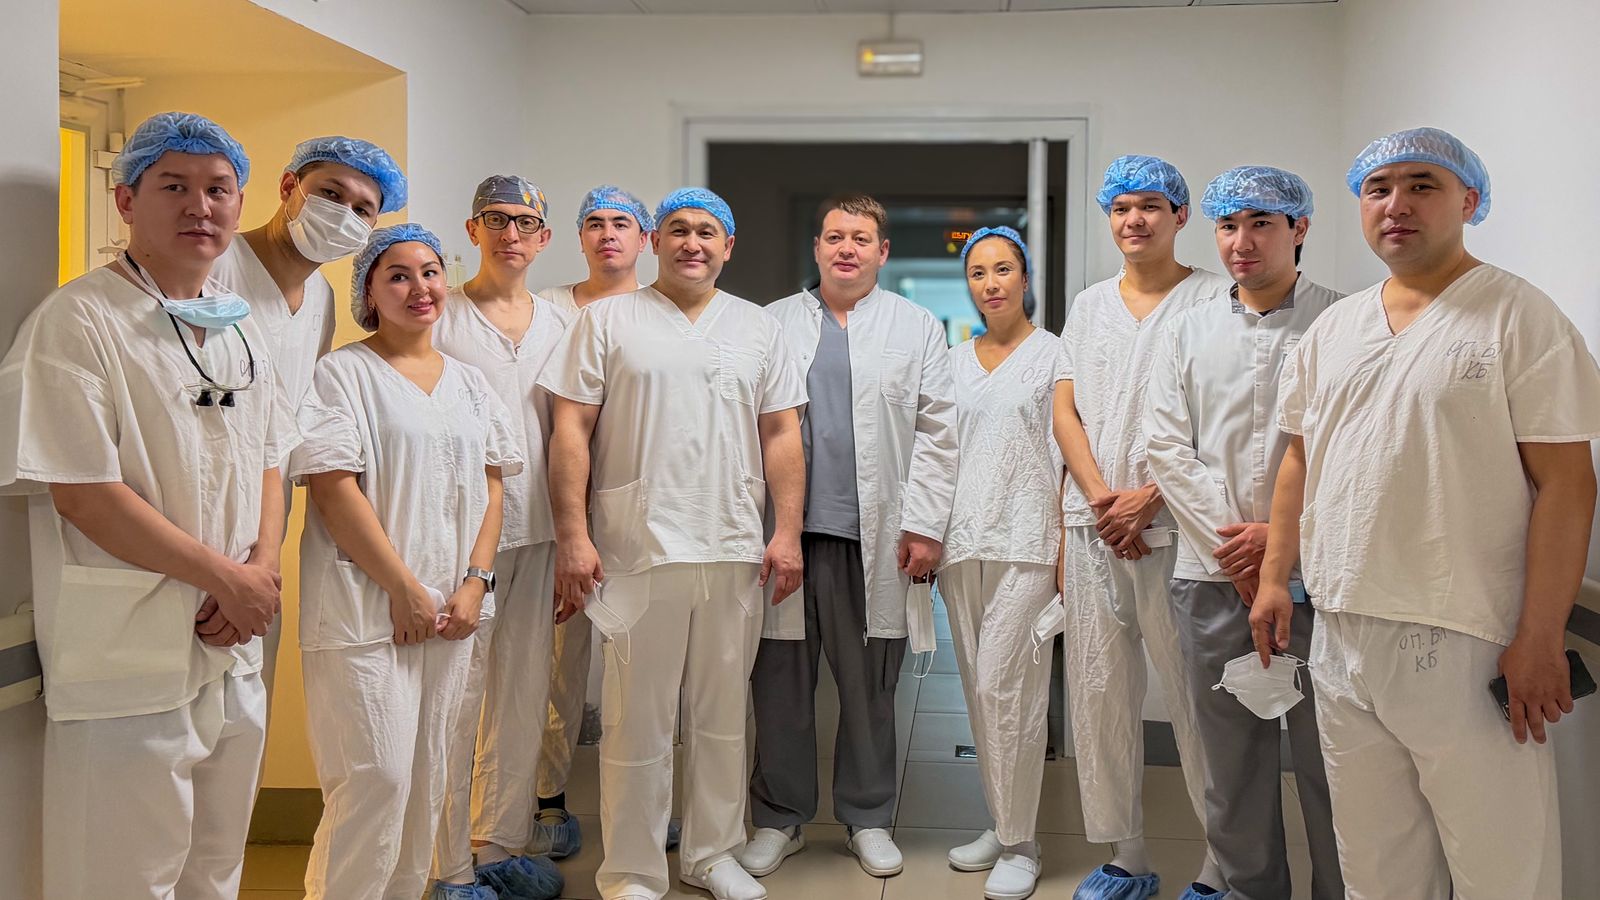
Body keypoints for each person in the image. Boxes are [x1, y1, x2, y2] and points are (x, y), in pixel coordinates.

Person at [1250, 127, 1600, 900]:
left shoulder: (1517, 317)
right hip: (1343, 633)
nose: (1396, 205)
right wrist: (1275, 578)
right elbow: (1301, 459)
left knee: (1500, 871)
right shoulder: (1335, 329)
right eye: (1378, 189)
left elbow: (1568, 485)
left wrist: (1541, 637)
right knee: (1375, 867)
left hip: (1466, 636)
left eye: (1422, 185)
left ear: (1468, 200)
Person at [0, 111, 293, 900]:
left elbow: (272, 457)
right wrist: (227, 579)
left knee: (214, 870)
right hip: (126, 655)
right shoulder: (78, 320)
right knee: (122, 879)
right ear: (127, 201)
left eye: (219, 189)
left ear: (240, 204)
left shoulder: (239, 328)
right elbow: (83, 494)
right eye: (174, 187)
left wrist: (261, 569)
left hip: (231, 646)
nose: (200, 206)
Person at [539, 187, 807, 900]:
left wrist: (785, 532)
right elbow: (570, 430)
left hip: (732, 544)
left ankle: (714, 854)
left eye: (708, 232)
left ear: (729, 247)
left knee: (723, 716)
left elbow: (782, 432)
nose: (693, 242)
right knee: (637, 721)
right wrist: (572, 535)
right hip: (636, 545)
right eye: (679, 230)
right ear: (655, 242)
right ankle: (632, 871)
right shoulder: (605, 322)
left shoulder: (757, 328)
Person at [291, 224, 523, 900]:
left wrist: (476, 582)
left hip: (453, 613)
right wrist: (402, 587)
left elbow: (493, 485)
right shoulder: (342, 375)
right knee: (375, 780)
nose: (419, 287)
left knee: (427, 781)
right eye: (397, 275)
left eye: (429, 272)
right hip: (366, 612)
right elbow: (333, 487)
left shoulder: (471, 384)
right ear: (369, 292)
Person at [743, 193, 958, 882]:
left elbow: (939, 432)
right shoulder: (773, 322)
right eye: (834, 236)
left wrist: (925, 525)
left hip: (876, 538)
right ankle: (779, 818)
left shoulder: (915, 327)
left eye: (861, 238)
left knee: (869, 688)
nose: (846, 248)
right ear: (817, 248)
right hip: (785, 535)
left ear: (882, 252)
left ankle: (868, 817)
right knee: (780, 684)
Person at [1144, 166, 1342, 900]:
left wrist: (1283, 540)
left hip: (1321, 577)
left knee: (1334, 762)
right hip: (1212, 575)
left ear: (1300, 228)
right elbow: (1166, 448)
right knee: (1231, 766)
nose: (1241, 242)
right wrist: (1239, 549)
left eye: (1261, 223)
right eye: (1228, 226)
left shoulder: (1343, 323)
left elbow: (1351, 453)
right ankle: (1251, 891)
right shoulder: (1186, 331)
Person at [1055, 155, 1231, 900]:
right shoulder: (1090, 304)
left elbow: (1224, 420)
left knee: (1198, 701)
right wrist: (1105, 501)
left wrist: (1151, 498)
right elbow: (1064, 410)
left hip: (1180, 529)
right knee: (1100, 696)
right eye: (1121, 207)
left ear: (1180, 215)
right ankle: (1127, 855)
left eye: (1151, 205)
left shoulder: (1216, 298)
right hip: (1093, 528)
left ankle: (1222, 865)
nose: (1135, 219)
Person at [208, 134, 405, 698]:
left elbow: (283, 428)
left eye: (363, 209)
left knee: (247, 704)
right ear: (288, 186)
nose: (344, 215)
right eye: (331, 194)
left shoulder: (320, 299)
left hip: (265, 528)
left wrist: (266, 554)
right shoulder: (213, 267)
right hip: (193, 510)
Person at [430, 175, 566, 900]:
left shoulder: (559, 324)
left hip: (540, 531)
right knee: (456, 697)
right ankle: (447, 861)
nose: (510, 234)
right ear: (472, 230)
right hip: (458, 539)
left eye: (524, 222)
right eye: (495, 219)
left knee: (522, 694)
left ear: (543, 237)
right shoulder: (442, 315)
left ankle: (501, 845)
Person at [938, 227, 1065, 900]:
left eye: (1003, 269)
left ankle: (1022, 843)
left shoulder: (1055, 354)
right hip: (962, 542)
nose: (991, 283)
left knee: (1006, 689)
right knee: (978, 694)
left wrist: (1069, 549)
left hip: (1029, 540)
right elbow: (936, 454)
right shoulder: (953, 362)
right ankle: (1002, 820)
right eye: (978, 272)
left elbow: (1070, 455)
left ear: (1025, 276)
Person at [529, 184, 656, 859]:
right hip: (559, 513)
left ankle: (647, 802)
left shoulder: (660, 312)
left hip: (641, 517)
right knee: (560, 664)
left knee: (644, 668)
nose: (609, 234)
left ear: (645, 239)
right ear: (577, 237)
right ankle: (549, 798)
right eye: (596, 223)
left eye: (622, 223)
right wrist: (568, 529)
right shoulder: (545, 311)